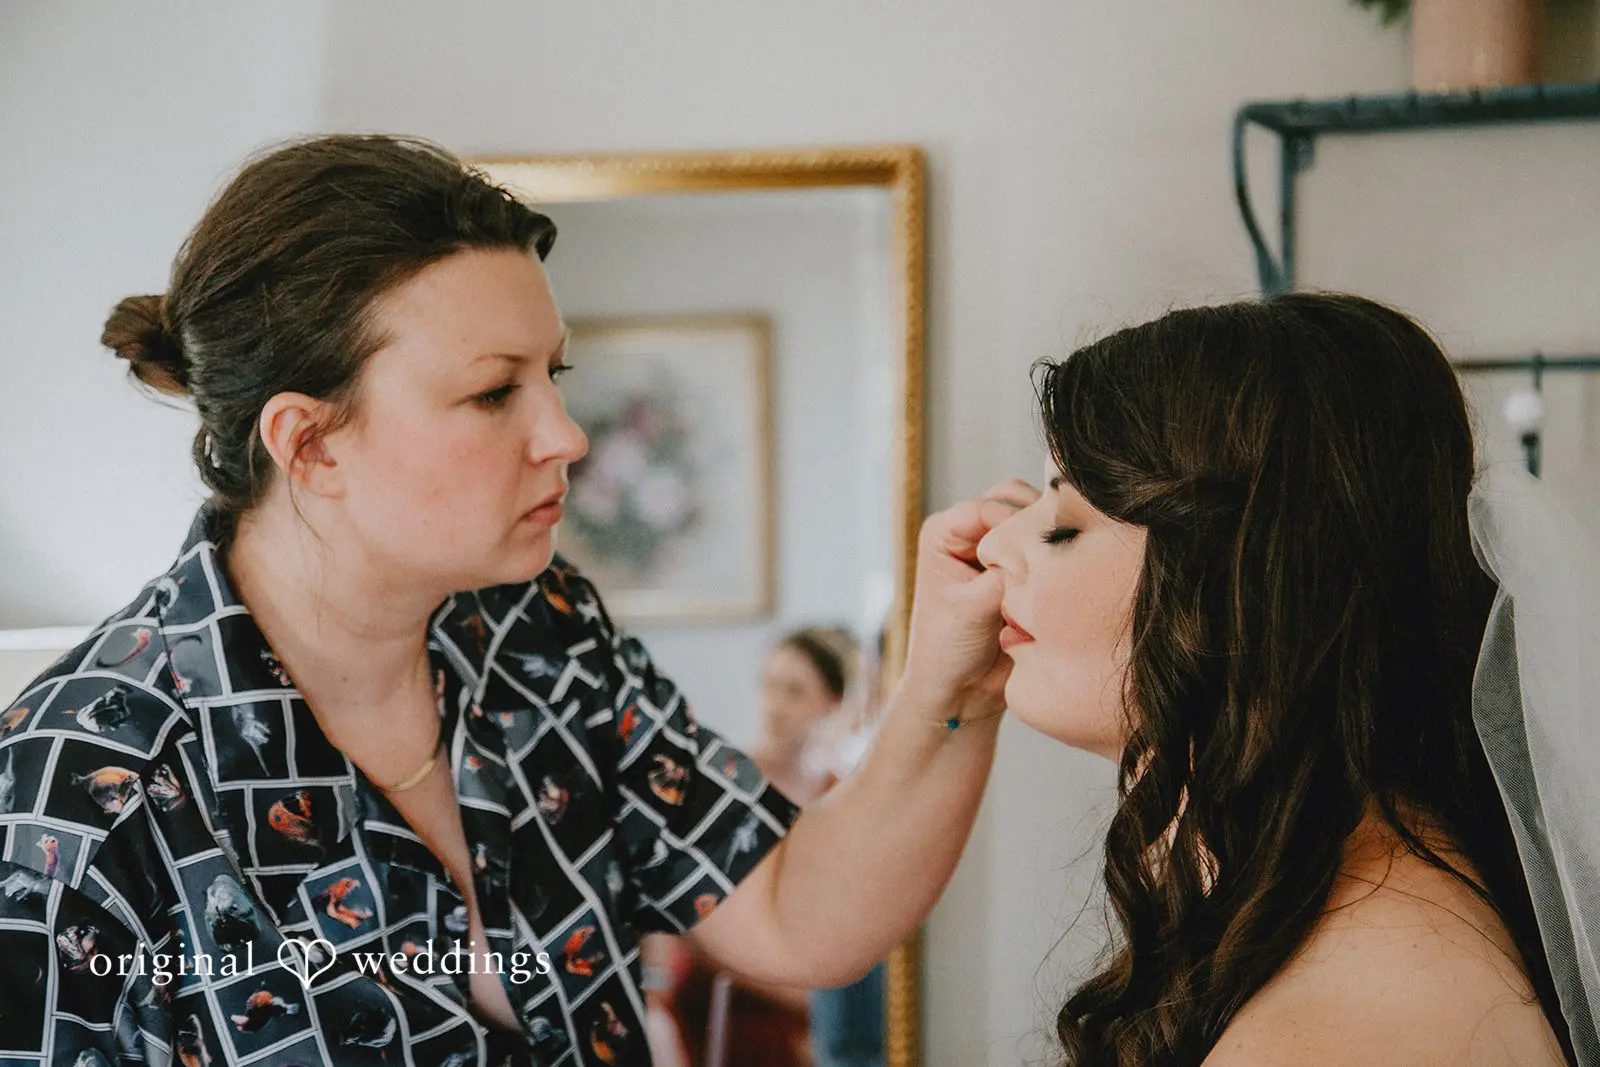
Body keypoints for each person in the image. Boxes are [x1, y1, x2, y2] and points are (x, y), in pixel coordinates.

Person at [0, 134, 1006, 1066]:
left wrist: (948, 683)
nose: (566, 434)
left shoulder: (539, 629)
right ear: (309, 444)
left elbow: (790, 908)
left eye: (553, 374)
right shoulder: (77, 796)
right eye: (494, 392)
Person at [948, 293, 1577, 1065]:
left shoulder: (1343, 1028)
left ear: (1244, 588)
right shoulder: (1328, 892)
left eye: (1065, 524)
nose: (993, 545)